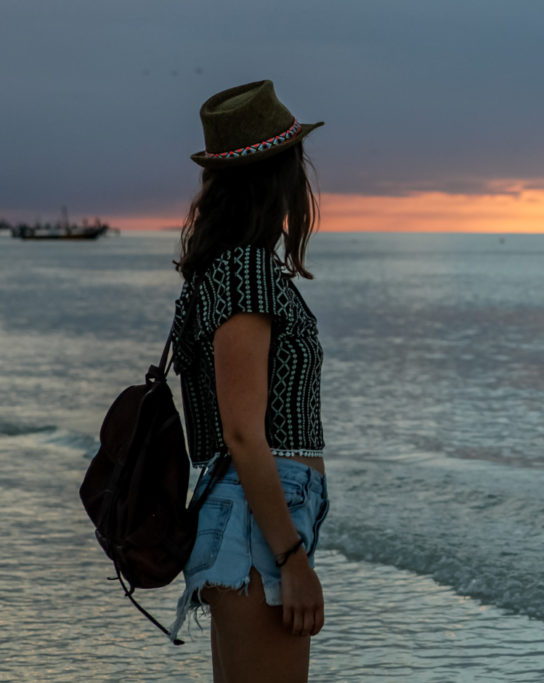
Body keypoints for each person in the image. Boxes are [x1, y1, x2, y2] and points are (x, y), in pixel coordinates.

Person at [167, 80, 329, 683]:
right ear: (279, 176)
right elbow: (241, 431)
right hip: (257, 518)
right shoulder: (246, 271)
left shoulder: (219, 269)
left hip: (242, 510)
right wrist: (291, 558)